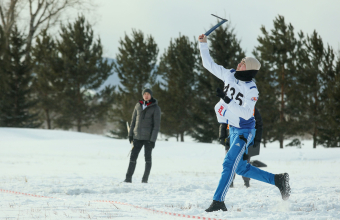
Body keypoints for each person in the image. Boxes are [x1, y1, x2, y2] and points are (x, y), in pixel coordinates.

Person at [198, 34, 290, 212]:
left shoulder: (251, 89)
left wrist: (226, 99)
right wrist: (203, 44)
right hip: (232, 129)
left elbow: (248, 114)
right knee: (240, 169)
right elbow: (208, 64)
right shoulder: (229, 74)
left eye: (243, 63)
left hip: (244, 131)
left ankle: (218, 201)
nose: (239, 64)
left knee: (228, 163)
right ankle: (279, 180)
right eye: (240, 61)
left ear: (248, 70)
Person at [219, 107, 263, 188]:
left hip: (246, 138)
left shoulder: (251, 107)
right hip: (231, 138)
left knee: (245, 161)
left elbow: (259, 124)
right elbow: (223, 122)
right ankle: (230, 182)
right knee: (229, 161)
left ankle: (246, 182)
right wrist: (222, 137)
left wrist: (257, 139)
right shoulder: (230, 106)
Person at [124, 88, 161, 183]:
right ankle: (128, 179)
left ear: (151, 95)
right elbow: (133, 121)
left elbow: (156, 126)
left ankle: (145, 180)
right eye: (145, 94)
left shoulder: (155, 108)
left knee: (147, 159)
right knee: (133, 157)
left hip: (148, 138)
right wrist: (130, 134)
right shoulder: (138, 105)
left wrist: (153, 140)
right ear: (142, 95)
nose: (146, 95)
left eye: (148, 94)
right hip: (137, 137)